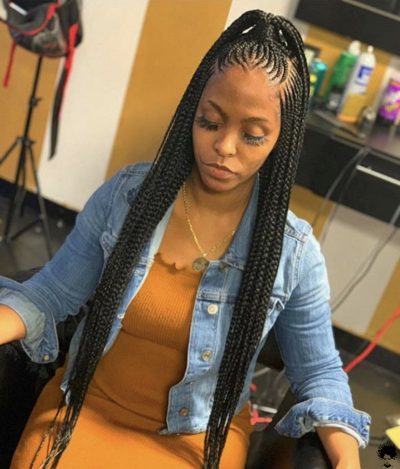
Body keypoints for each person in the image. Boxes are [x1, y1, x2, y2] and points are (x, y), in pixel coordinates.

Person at [0, 10, 370, 469]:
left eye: (253, 135)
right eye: (210, 122)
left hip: (196, 438)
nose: (225, 147)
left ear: (281, 139)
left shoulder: (293, 252)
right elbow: (50, 294)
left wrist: (348, 461)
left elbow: (319, 373)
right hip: (85, 409)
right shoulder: (127, 199)